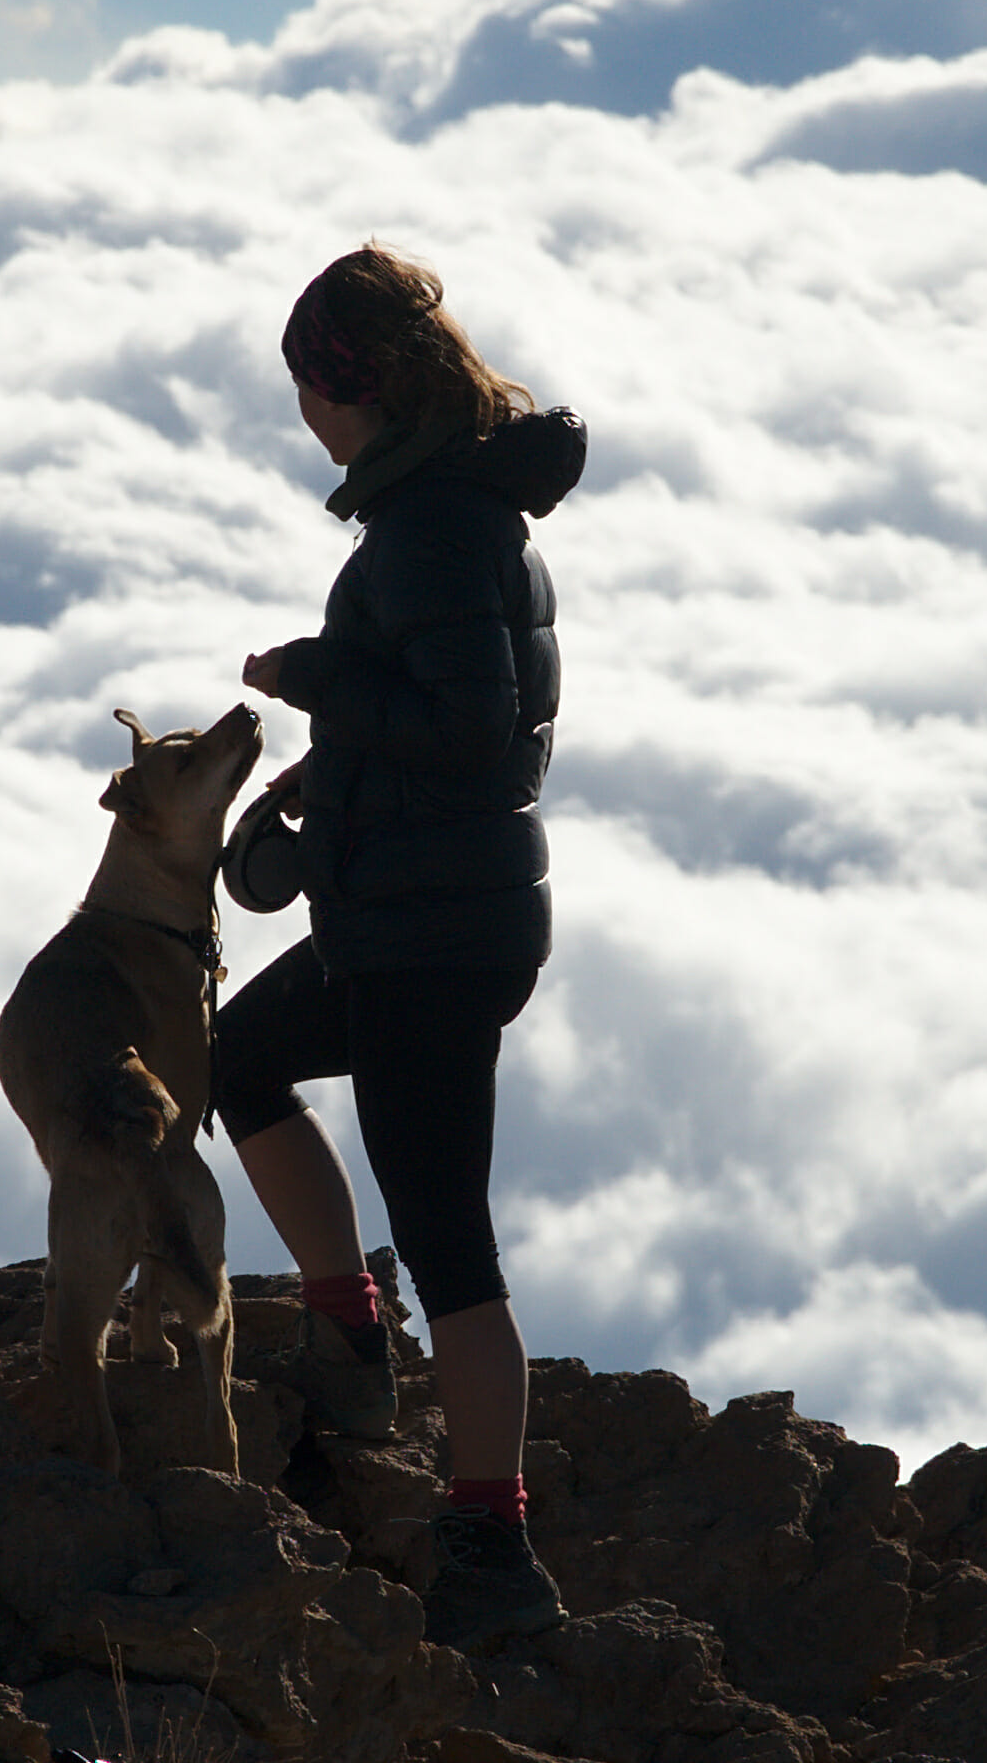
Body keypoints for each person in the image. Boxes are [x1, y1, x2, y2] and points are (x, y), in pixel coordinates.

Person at [213, 241, 585, 1655]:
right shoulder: (454, 510)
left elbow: (472, 732)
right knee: (237, 1057)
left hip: (431, 938)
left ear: (341, 386)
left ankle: (493, 1541)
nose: (303, 413)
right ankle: (347, 1332)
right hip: (421, 912)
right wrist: (329, 769)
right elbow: (455, 724)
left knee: (451, 1240)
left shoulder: (432, 527)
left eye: (306, 387)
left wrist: (322, 684)